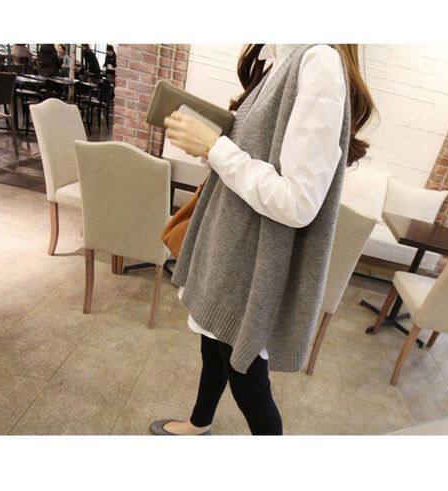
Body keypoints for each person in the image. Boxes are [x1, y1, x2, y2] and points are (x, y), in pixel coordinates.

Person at [150, 44, 374, 436]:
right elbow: (256, 156)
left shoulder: (318, 61)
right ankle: (199, 422)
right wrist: (212, 145)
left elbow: (298, 202)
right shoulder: (279, 62)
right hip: (231, 253)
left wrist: (215, 147)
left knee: (249, 384)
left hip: (253, 266)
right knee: (213, 349)